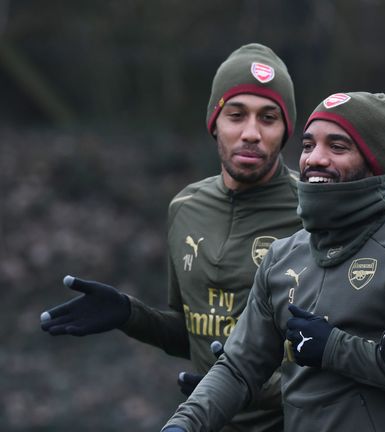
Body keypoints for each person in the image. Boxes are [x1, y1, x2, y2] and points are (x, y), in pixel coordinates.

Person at [161, 91, 385, 432]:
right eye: (309, 145)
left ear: (374, 162)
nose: (315, 159)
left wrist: (336, 349)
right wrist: (182, 425)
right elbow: (238, 368)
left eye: (337, 147)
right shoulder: (282, 257)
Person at [40, 43, 303, 432]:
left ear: (285, 131)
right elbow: (195, 334)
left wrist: (246, 389)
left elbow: (338, 353)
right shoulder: (185, 206)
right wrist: (130, 315)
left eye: (268, 118)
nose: (251, 132)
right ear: (215, 121)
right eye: (236, 115)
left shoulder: (312, 212)